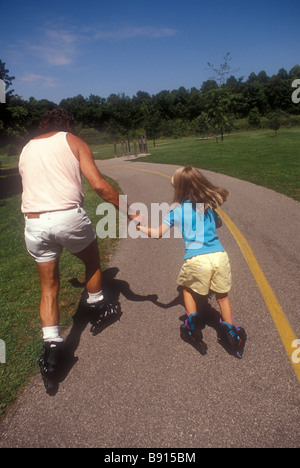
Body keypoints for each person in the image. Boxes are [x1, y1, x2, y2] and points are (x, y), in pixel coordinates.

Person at [19, 108, 142, 386]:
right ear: (66, 123)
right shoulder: (73, 141)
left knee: (48, 287)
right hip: (67, 217)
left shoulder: (27, 148)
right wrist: (131, 213)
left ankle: (51, 347)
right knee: (92, 260)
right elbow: (99, 186)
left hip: (34, 223)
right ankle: (97, 304)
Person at [137, 166, 246, 358]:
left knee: (186, 288)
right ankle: (231, 333)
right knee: (222, 296)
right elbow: (218, 224)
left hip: (197, 258)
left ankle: (192, 324)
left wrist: (140, 226)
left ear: (179, 188)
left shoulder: (177, 211)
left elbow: (157, 234)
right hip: (219, 255)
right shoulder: (209, 205)